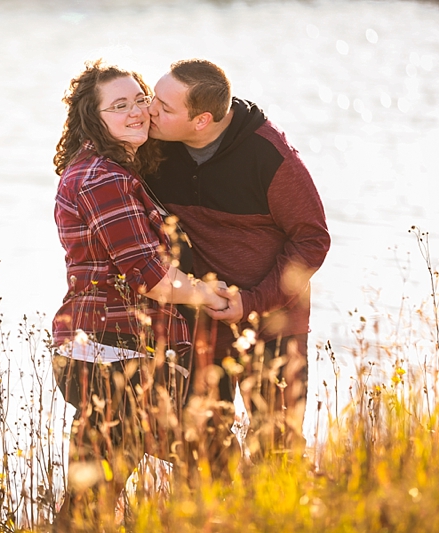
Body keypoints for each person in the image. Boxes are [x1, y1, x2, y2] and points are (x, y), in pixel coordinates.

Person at [51, 60, 227, 531]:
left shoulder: (108, 169)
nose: (135, 112)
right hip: (112, 354)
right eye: (119, 106)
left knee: (92, 499)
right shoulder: (103, 178)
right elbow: (151, 276)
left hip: (112, 350)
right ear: (95, 118)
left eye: (139, 100)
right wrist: (211, 295)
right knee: (206, 462)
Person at [144, 59, 331, 457]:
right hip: (199, 324)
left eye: (164, 106)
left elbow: (312, 239)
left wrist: (252, 301)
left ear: (201, 121)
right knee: (202, 449)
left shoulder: (270, 156)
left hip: (274, 322)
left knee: (277, 450)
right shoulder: (153, 145)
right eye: (152, 97)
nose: (149, 109)